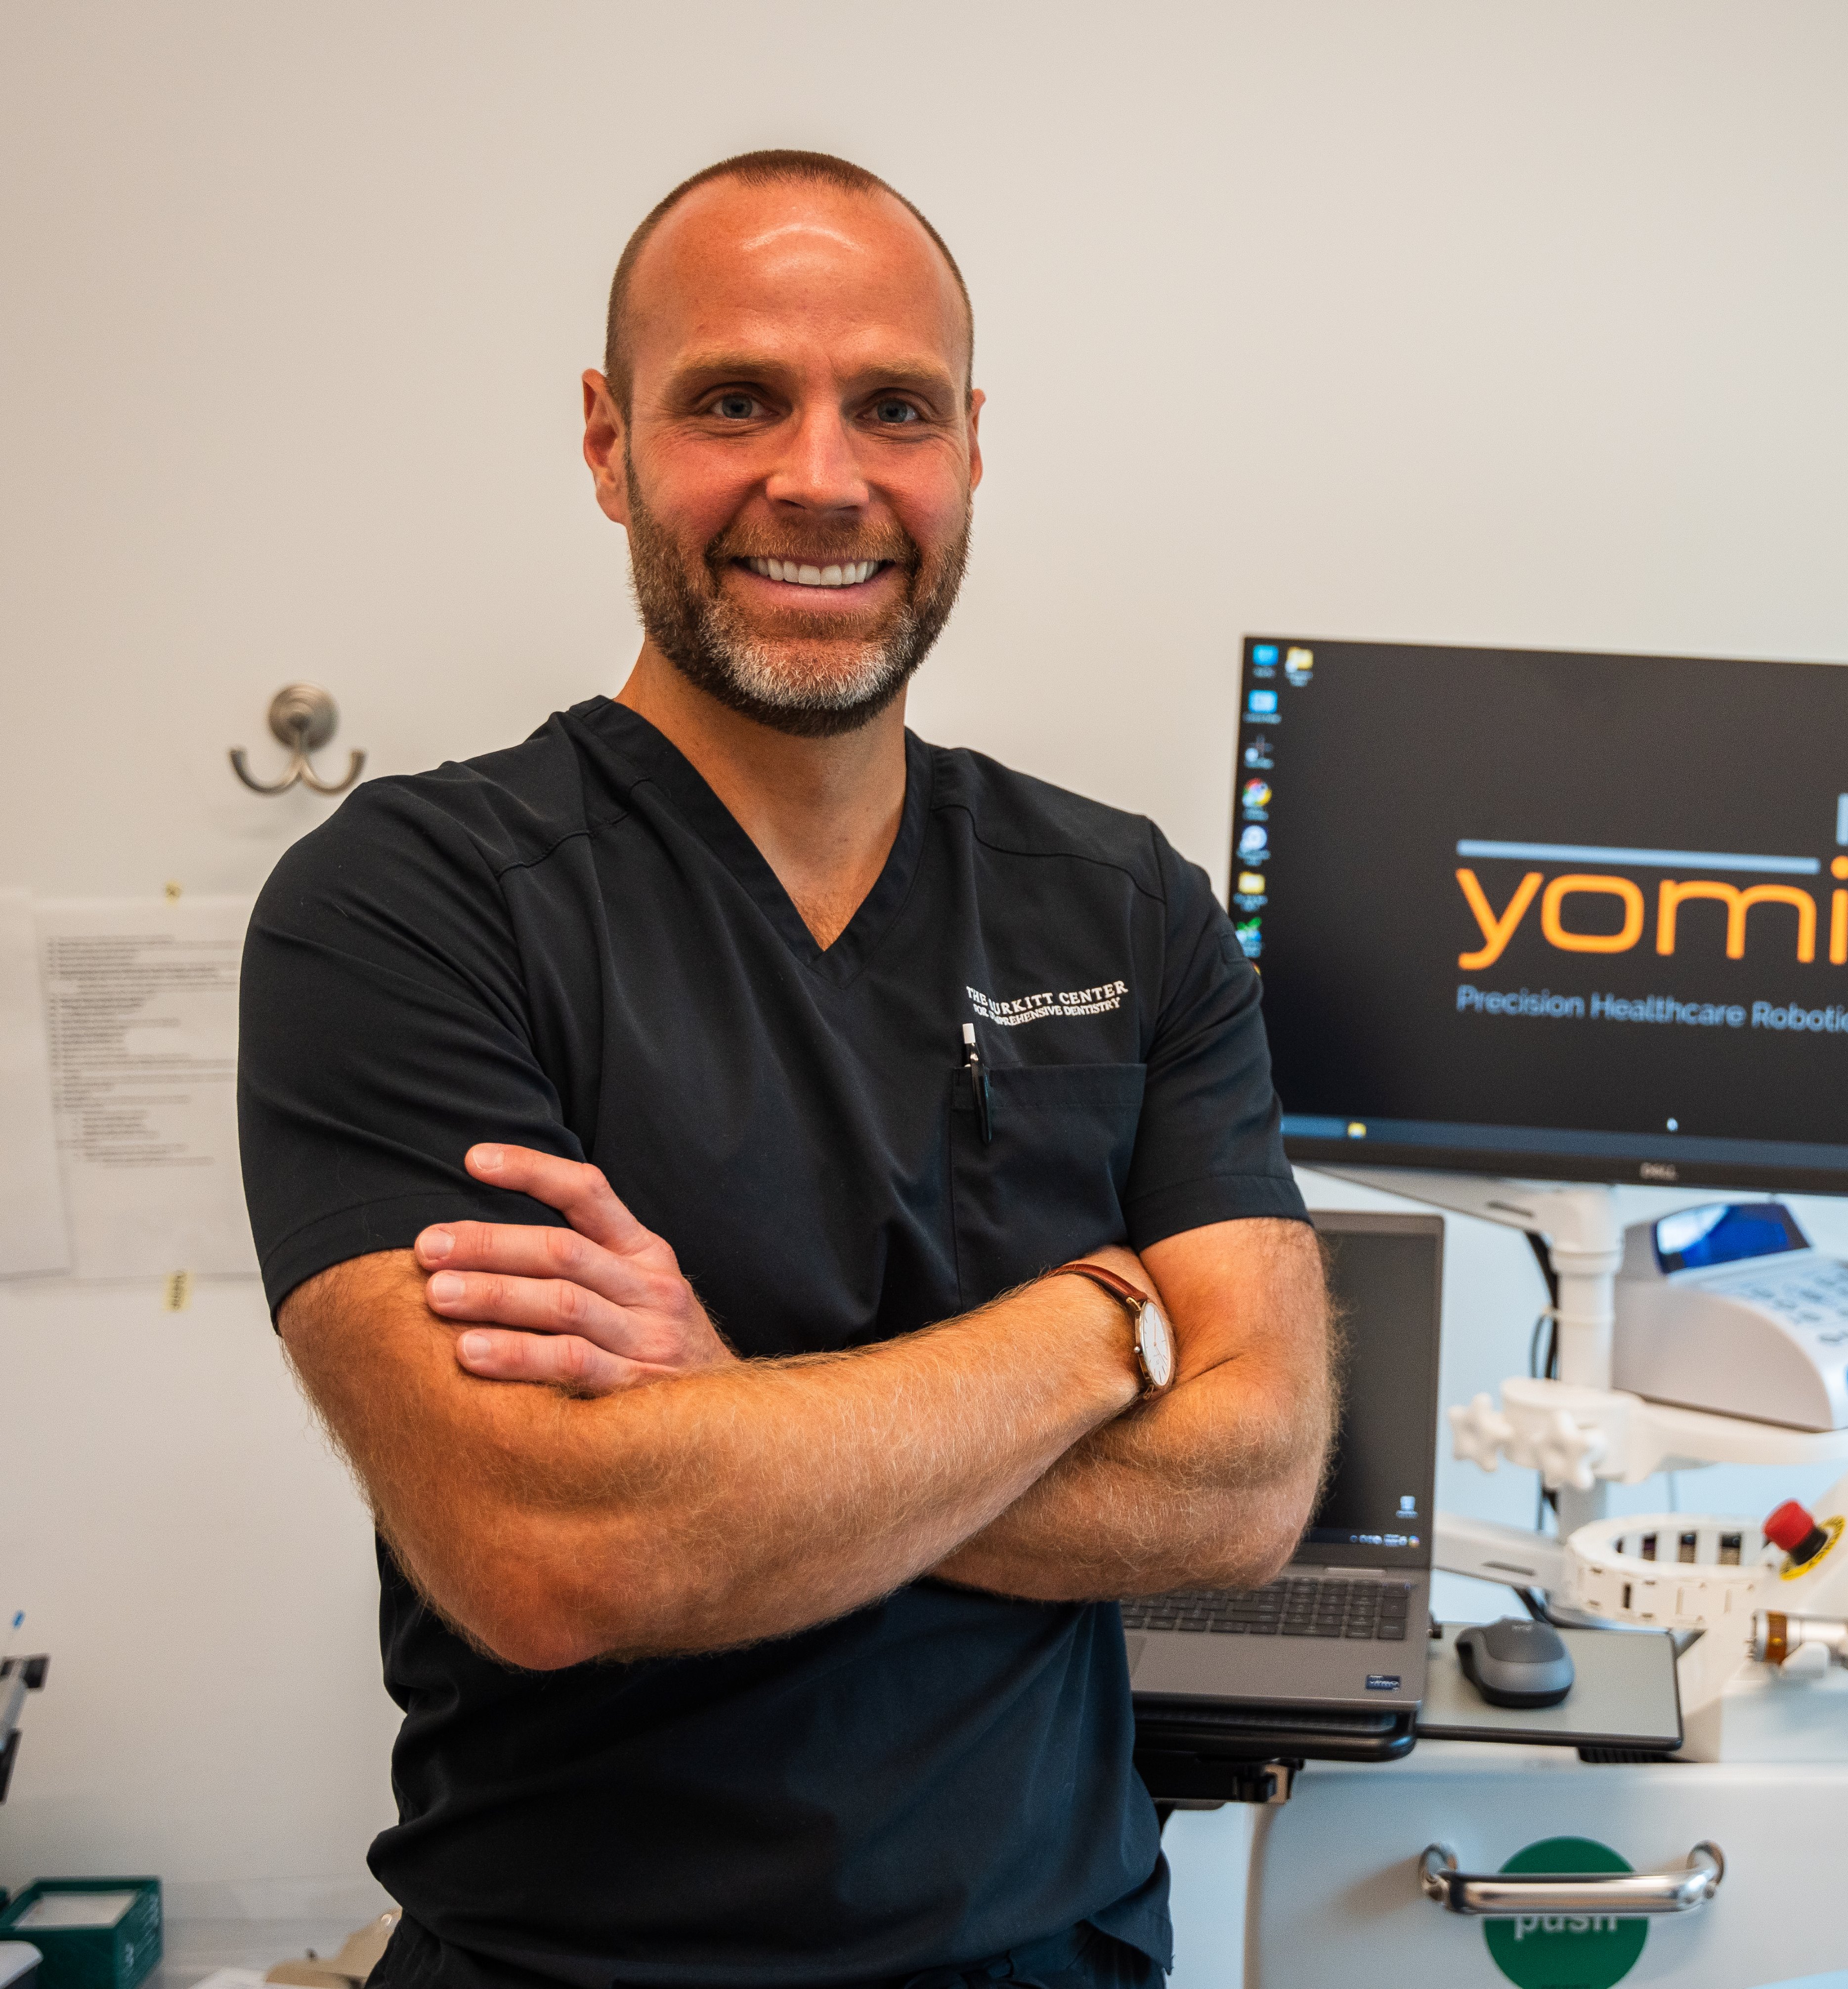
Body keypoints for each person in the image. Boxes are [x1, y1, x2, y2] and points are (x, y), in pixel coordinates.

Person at [237, 149, 1333, 1989]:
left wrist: (736, 1419)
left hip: (1055, 1952)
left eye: (892, 408)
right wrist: (1092, 1334)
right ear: (607, 443)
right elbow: (545, 1545)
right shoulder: (411, 906)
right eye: (735, 398)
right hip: (575, 1967)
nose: (820, 478)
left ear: (969, 447)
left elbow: (1246, 1483)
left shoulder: (1121, 902)